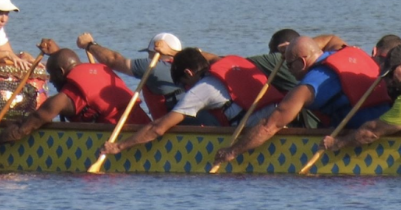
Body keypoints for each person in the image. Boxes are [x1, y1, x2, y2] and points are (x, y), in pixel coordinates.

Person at [210, 35, 397, 166]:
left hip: (364, 135)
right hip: (388, 120)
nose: (289, 70)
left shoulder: (308, 87)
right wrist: (293, 47)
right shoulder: (341, 51)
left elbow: (269, 126)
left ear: (301, 62)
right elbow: (330, 38)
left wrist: (232, 151)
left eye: (290, 65)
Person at [99, 47, 285, 156]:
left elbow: (158, 128)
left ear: (188, 73)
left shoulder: (202, 89)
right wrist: (173, 51)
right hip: (284, 116)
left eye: (184, 83)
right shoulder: (230, 61)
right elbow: (204, 55)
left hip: (258, 130)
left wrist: (119, 146)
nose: (186, 89)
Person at [0, 46, 134, 154]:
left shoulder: (61, 100)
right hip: (138, 126)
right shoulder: (98, 70)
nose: (51, 81)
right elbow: (64, 59)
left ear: (61, 72)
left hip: (117, 139)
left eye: (51, 75)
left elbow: (22, 130)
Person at [71, 31, 184, 122]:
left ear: (156, 52)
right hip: (187, 125)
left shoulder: (152, 67)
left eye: (149, 53)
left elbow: (113, 60)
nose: (148, 57)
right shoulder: (189, 66)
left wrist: (89, 45)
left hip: (171, 132)